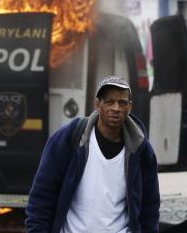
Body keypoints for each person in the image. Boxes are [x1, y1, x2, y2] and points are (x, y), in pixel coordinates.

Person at [25, 76, 160, 233]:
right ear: (97, 105)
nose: (116, 108)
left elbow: (149, 208)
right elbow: (42, 196)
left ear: (129, 107)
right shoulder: (69, 139)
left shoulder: (141, 150)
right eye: (109, 101)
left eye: (122, 103)